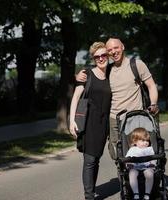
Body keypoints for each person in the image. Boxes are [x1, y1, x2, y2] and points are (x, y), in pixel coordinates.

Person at [76, 38, 159, 160]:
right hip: (114, 119)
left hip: (135, 116)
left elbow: (151, 85)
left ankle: (140, 175)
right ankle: (126, 176)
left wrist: (153, 104)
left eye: (116, 48)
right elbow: (93, 74)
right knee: (117, 153)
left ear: (122, 47)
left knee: (140, 150)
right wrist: (78, 75)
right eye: (109, 50)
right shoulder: (107, 69)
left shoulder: (136, 65)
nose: (113, 52)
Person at [69, 42, 111, 200]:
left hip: (104, 122)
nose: (101, 58)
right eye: (97, 56)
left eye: (103, 55)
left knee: (97, 158)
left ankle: (91, 190)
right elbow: (75, 97)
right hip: (88, 122)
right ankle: (89, 196)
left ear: (107, 56)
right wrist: (71, 120)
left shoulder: (112, 73)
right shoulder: (87, 74)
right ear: (93, 59)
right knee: (90, 159)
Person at [125, 127, 156, 200]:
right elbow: (127, 158)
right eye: (143, 140)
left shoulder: (149, 149)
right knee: (132, 173)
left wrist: (153, 163)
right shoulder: (132, 149)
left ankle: (147, 194)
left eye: (147, 140)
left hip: (147, 166)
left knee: (149, 174)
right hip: (135, 167)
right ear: (135, 141)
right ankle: (136, 193)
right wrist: (129, 164)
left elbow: (153, 158)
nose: (146, 142)